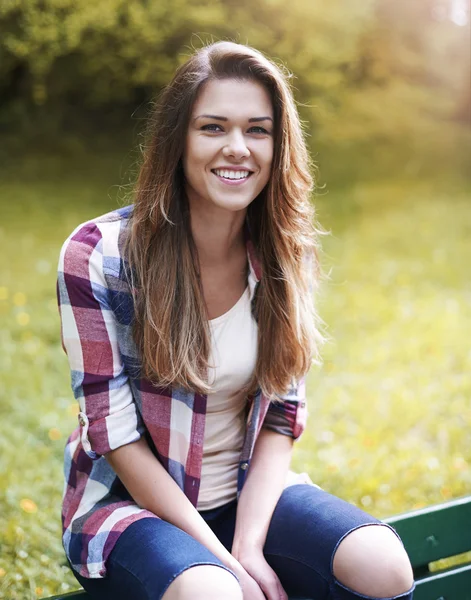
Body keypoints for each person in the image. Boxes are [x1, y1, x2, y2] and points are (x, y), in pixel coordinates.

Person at [56, 41, 415, 600]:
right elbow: (117, 440)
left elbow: (280, 414)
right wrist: (224, 565)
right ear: (178, 141)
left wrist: (248, 545)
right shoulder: (98, 256)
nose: (237, 148)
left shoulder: (282, 250)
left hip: (249, 497)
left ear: (278, 144)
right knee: (213, 593)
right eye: (213, 127)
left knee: (384, 566)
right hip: (130, 509)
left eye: (257, 130)